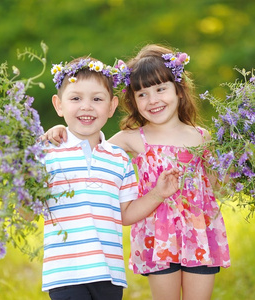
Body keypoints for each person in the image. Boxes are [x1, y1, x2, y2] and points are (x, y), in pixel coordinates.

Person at [43, 44, 231, 300]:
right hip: (159, 233)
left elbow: (218, 186)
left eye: (160, 89)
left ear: (179, 91)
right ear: (132, 100)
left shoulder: (201, 137)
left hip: (199, 232)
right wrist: (58, 130)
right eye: (142, 94)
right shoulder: (133, 138)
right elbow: (89, 142)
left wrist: (237, 164)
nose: (152, 100)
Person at [37, 56, 181, 300]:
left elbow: (125, 214)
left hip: (110, 274)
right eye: (75, 98)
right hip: (65, 274)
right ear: (58, 105)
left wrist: (158, 194)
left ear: (112, 106)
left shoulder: (118, 159)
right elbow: (28, 209)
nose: (86, 106)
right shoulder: (47, 154)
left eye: (97, 99)